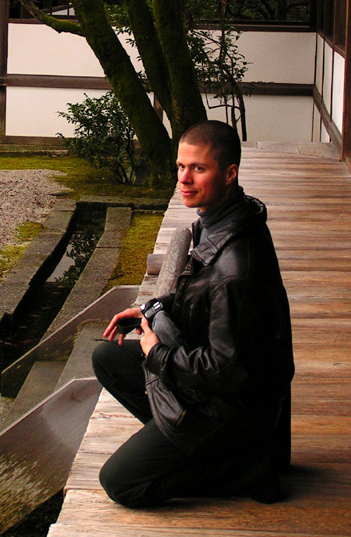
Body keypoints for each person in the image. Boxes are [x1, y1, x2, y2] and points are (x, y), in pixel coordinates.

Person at [92, 120, 294, 508]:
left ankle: (246, 466)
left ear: (230, 173)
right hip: (216, 392)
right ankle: (188, 446)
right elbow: (200, 297)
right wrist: (155, 307)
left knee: (120, 482)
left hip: (231, 409)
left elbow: (228, 369)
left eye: (198, 169)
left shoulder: (236, 270)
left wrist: (157, 354)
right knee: (108, 357)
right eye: (180, 167)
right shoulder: (224, 219)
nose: (184, 179)